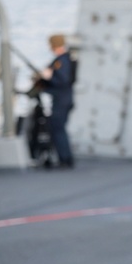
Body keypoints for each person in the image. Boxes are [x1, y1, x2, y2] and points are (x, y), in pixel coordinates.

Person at [38, 34, 75, 169]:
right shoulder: (65, 59)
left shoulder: (62, 61)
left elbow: (62, 81)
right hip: (64, 99)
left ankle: (65, 159)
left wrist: (48, 77)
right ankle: (64, 157)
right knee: (59, 128)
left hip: (61, 100)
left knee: (58, 129)